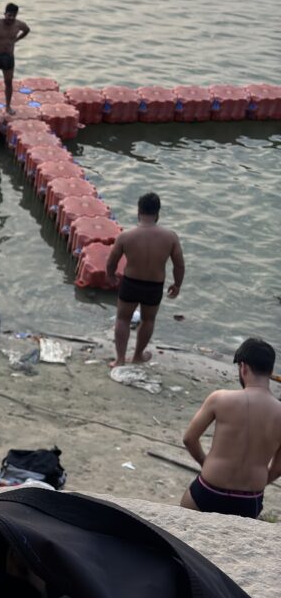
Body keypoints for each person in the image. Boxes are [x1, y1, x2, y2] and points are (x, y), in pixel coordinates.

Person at [180, 338, 281, 518]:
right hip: (250, 497)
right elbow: (278, 467)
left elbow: (189, 438)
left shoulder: (220, 399)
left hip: (210, 489)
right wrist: (261, 482)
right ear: (271, 371)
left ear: (243, 367)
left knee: (181, 533)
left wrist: (206, 463)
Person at [105, 192, 185, 366]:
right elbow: (179, 264)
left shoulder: (126, 236)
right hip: (154, 286)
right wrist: (177, 284)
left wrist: (110, 276)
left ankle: (119, 359)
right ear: (158, 213)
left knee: (123, 319)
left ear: (138, 211)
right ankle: (138, 356)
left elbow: (111, 261)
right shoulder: (170, 237)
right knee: (148, 320)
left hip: (131, 283)